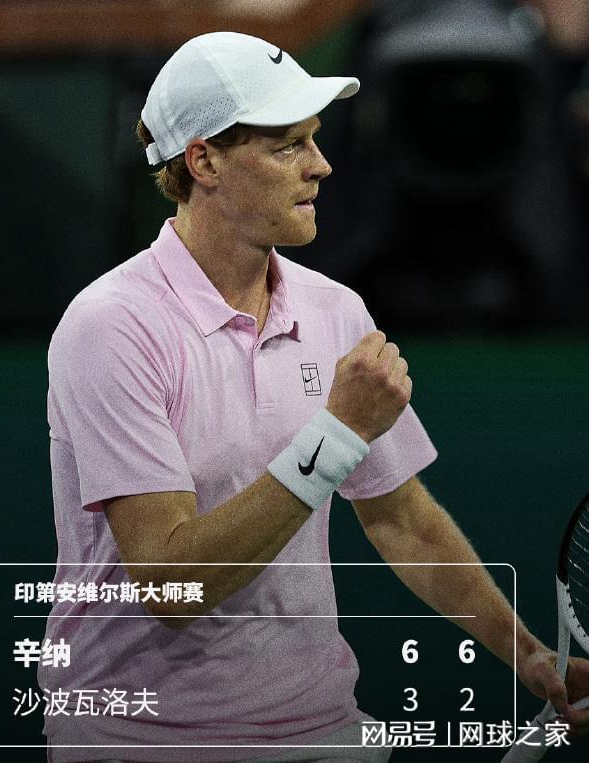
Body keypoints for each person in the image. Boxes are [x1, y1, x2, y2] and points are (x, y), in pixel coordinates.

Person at [39, 31, 589, 763]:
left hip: (321, 728)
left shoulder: (335, 310)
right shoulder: (112, 325)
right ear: (204, 161)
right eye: (288, 146)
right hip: (140, 742)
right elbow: (172, 585)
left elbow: (401, 519)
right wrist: (334, 436)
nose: (321, 165)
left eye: (316, 139)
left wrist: (527, 654)